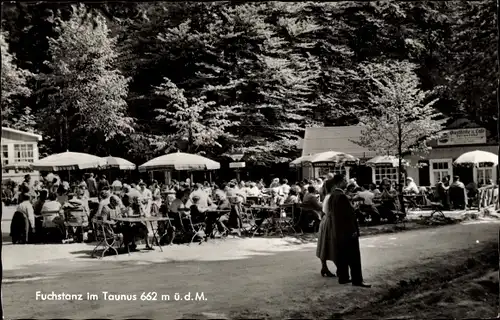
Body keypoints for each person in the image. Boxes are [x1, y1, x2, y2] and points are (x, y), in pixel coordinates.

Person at [317, 174, 371, 287]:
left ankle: (343, 277)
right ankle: (357, 280)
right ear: (339, 182)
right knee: (354, 256)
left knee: (342, 254)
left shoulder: (332, 196)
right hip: (347, 230)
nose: (346, 182)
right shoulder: (341, 196)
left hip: (337, 229)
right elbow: (346, 216)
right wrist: (353, 229)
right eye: (344, 180)